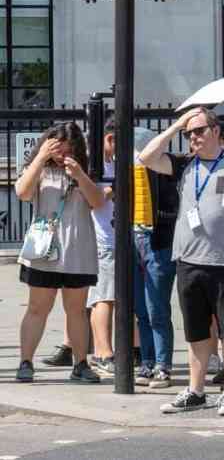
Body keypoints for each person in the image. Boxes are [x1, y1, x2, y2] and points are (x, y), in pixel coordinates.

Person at [140, 108, 224, 416]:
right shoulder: (184, 165)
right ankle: (196, 391)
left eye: (198, 131)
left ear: (217, 132)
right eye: (188, 133)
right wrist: (176, 127)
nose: (192, 137)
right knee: (196, 331)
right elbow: (145, 157)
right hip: (188, 259)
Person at [15, 122, 105, 384]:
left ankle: (80, 364)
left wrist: (79, 175)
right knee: (36, 308)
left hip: (77, 251)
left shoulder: (84, 169)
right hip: (43, 252)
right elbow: (22, 192)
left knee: (76, 310)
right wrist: (41, 158)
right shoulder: (39, 169)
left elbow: (97, 202)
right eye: (55, 148)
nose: (60, 154)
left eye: (66, 149)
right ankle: (26, 362)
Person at [133, 138, 181, 390]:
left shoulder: (165, 171)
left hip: (159, 242)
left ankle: (163, 365)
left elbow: (173, 207)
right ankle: (148, 361)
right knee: (141, 309)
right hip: (133, 240)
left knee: (157, 309)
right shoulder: (126, 169)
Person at [88, 117, 118, 376]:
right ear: (110, 139)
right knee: (103, 298)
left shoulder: (112, 162)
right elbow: (91, 201)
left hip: (115, 235)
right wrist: (111, 190)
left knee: (113, 297)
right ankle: (102, 352)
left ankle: (109, 350)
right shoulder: (94, 163)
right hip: (101, 238)